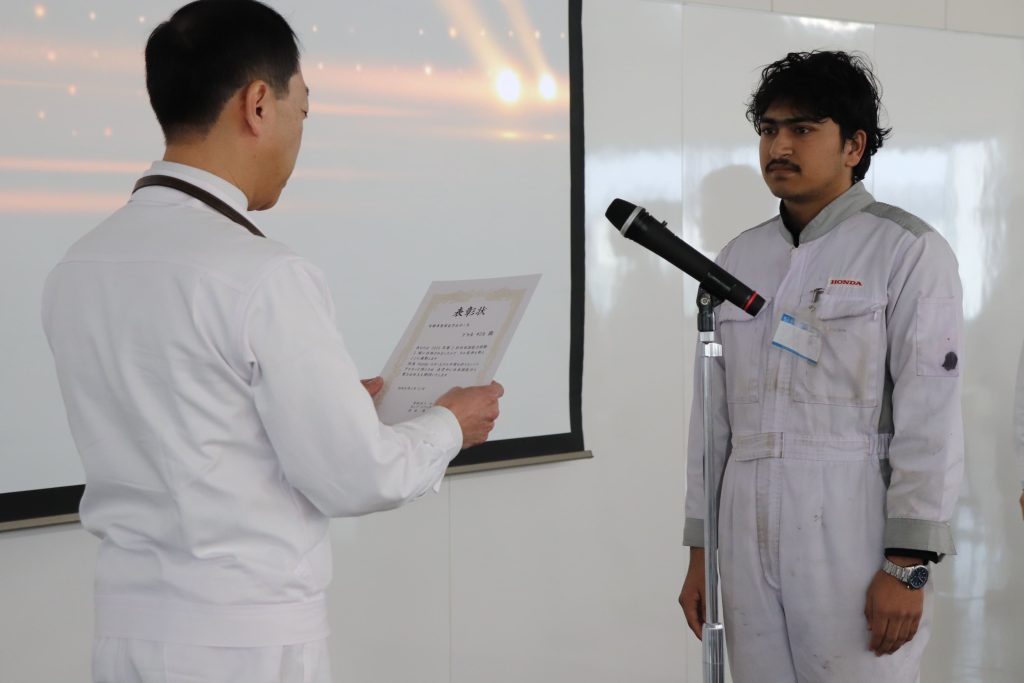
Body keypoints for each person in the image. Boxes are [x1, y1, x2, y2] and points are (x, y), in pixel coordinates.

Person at [41, 2, 502, 682]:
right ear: (258, 104)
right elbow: (358, 475)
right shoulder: (263, 274)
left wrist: (329, 409)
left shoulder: (78, 265)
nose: (299, 136)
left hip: (126, 636)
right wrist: (450, 424)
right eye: (302, 111)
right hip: (245, 644)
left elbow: (194, 423)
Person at [677, 51, 963, 682]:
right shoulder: (738, 258)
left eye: (802, 129)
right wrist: (703, 552)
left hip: (851, 523)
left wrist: (907, 563)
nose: (779, 146)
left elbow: (932, 415)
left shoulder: (907, 250)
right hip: (744, 528)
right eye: (768, 130)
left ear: (854, 145)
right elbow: (712, 419)